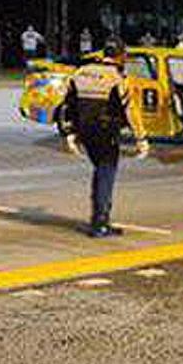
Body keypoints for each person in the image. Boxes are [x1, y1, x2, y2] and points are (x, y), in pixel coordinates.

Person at [62, 37, 148, 238]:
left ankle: (98, 218)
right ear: (120, 56)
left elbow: (68, 105)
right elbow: (130, 109)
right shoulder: (117, 77)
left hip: (85, 132)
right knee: (106, 172)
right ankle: (100, 223)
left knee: (100, 170)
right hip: (106, 131)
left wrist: (70, 133)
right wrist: (141, 137)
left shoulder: (81, 72)